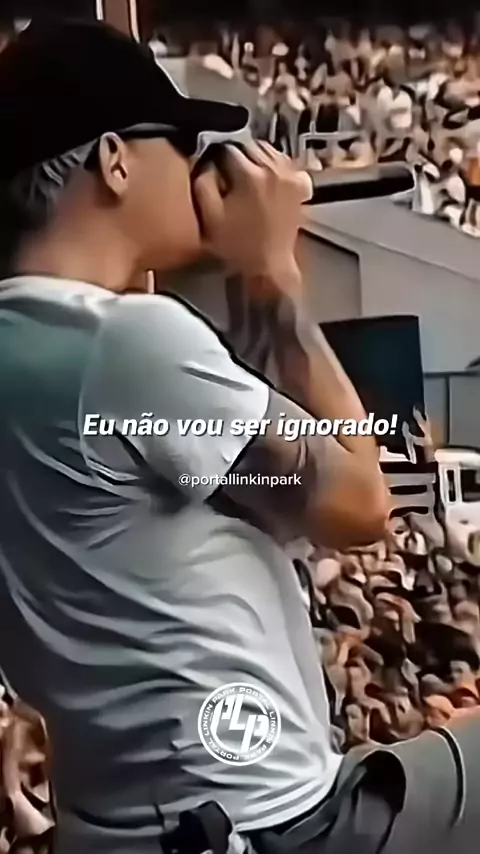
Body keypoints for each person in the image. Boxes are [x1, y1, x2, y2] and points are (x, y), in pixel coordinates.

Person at [0, 19, 477, 854]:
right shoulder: (125, 343)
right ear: (114, 160)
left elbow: (257, 489)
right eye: (184, 144)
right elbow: (361, 506)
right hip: (265, 821)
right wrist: (271, 276)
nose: (201, 166)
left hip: (121, 827)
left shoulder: (36, 349)